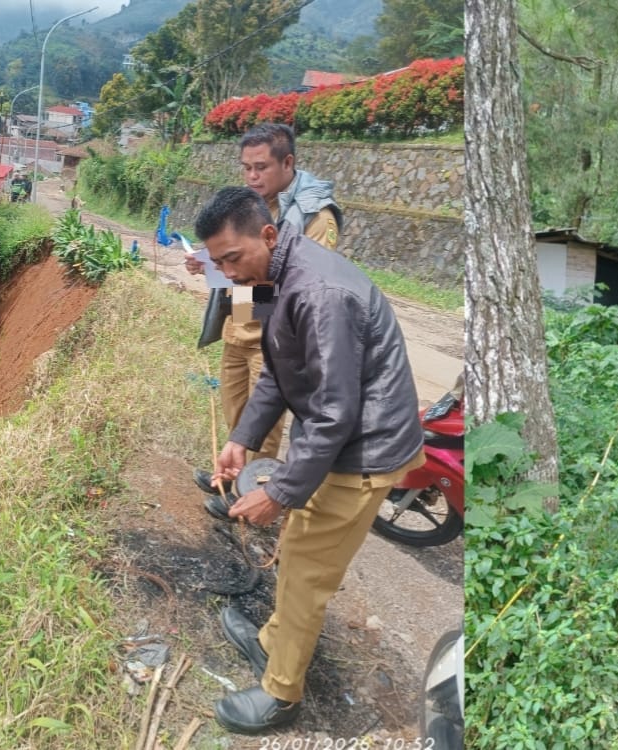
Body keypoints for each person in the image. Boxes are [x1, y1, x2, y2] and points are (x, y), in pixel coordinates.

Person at [195, 186, 424, 734]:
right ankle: (274, 641)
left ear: (268, 234)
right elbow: (278, 370)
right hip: (341, 436)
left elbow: (335, 413)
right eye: (219, 263)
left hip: (366, 448)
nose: (229, 273)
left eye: (234, 258)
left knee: (305, 569)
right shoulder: (270, 277)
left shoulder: (320, 293)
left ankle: (281, 695)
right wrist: (243, 437)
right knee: (299, 549)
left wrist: (279, 492)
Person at [184, 123, 343, 504]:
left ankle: (251, 495)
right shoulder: (250, 207)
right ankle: (231, 479)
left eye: (261, 167)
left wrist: (238, 286)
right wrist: (211, 265)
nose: (252, 177)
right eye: (246, 168)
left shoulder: (315, 218)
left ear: (287, 163)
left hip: (275, 341)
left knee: (264, 423)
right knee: (236, 413)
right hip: (239, 329)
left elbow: (303, 287)